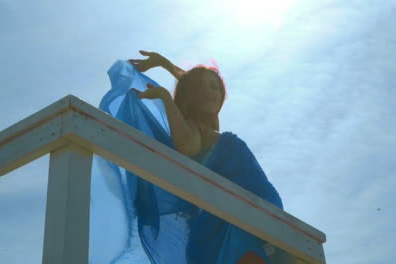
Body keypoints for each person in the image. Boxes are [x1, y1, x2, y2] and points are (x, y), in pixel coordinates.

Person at [92, 51, 283, 264]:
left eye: (217, 87)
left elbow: (193, 83)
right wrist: (165, 97)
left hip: (255, 214)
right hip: (229, 228)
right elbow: (188, 148)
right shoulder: (193, 129)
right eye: (205, 88)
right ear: (192, 95)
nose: (213, 93)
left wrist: (165, 64)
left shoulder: (208, 130)